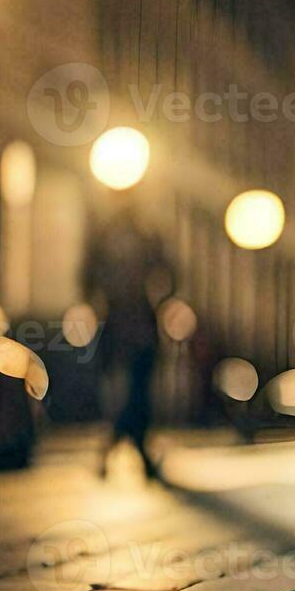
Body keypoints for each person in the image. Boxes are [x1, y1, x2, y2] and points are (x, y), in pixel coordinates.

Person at [83, 203, 172, 480]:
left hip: (135, 323)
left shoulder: (143, 236)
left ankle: (117, 444)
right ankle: (129, 446)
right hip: (120, 322)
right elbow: (87, 276)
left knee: (136, 390)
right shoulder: (108, 236)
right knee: (129, 391)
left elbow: (169, 273)